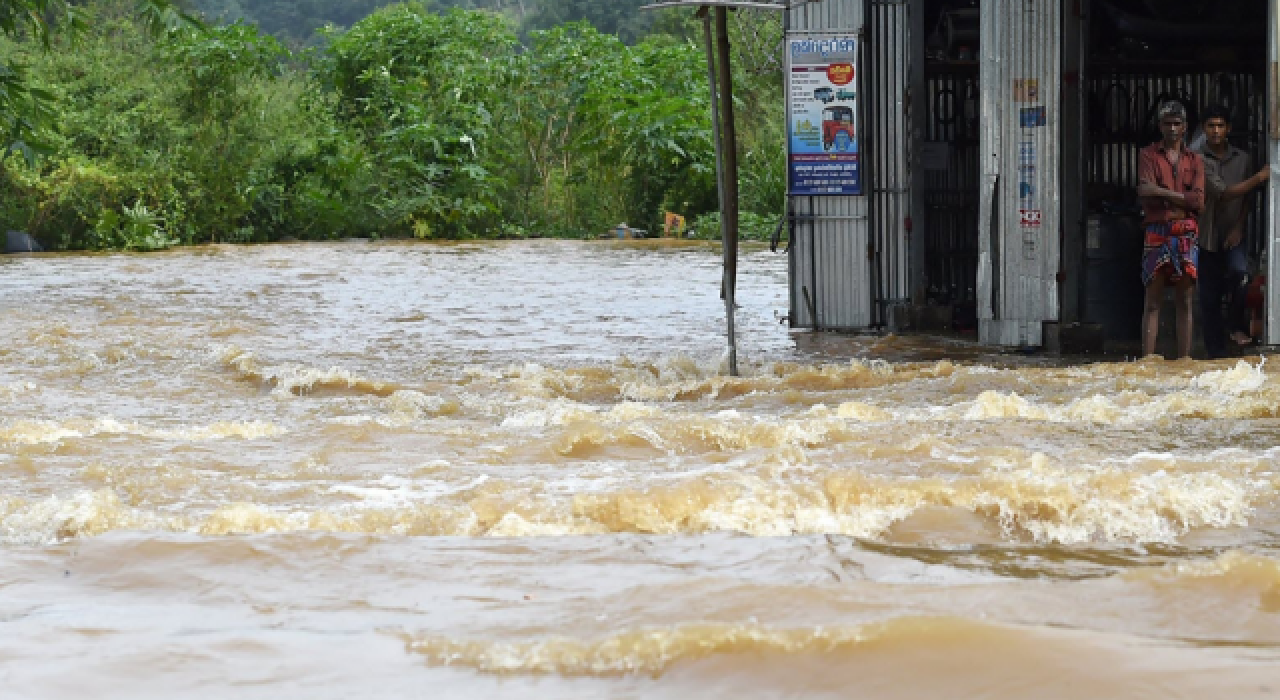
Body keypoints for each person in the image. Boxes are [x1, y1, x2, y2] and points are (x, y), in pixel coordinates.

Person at [1195, 105, 1270, 357]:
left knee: (1240, 274)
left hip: (1233, 231)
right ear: (1204, 129)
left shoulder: (1243, 158)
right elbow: (1224, 193)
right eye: (1210, 126)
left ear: (1228, 129)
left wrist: (1239, 227)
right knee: (1209, 295)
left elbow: (1246, 198)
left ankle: (1236, 325)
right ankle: (1214, 352)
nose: (1215, 131)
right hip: (1205, 234)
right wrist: (1260, 177)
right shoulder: (1197, 157)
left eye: (1220, 126)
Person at [1136, 101, 1205, 359]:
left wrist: (1161, 192)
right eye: (1168, 123)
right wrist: (1181, 198)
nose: (1173, 129)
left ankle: (1185, 360)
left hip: (1185, 232)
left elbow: (1198, 201)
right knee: (1152, 301)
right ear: (1160, 126)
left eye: (1177, 124)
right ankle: (1148, 360)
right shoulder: (1148, 155)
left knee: (1185, 301)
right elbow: (1145, 194)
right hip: (1157, 230)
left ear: (1185, 127)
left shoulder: (1194, 160)